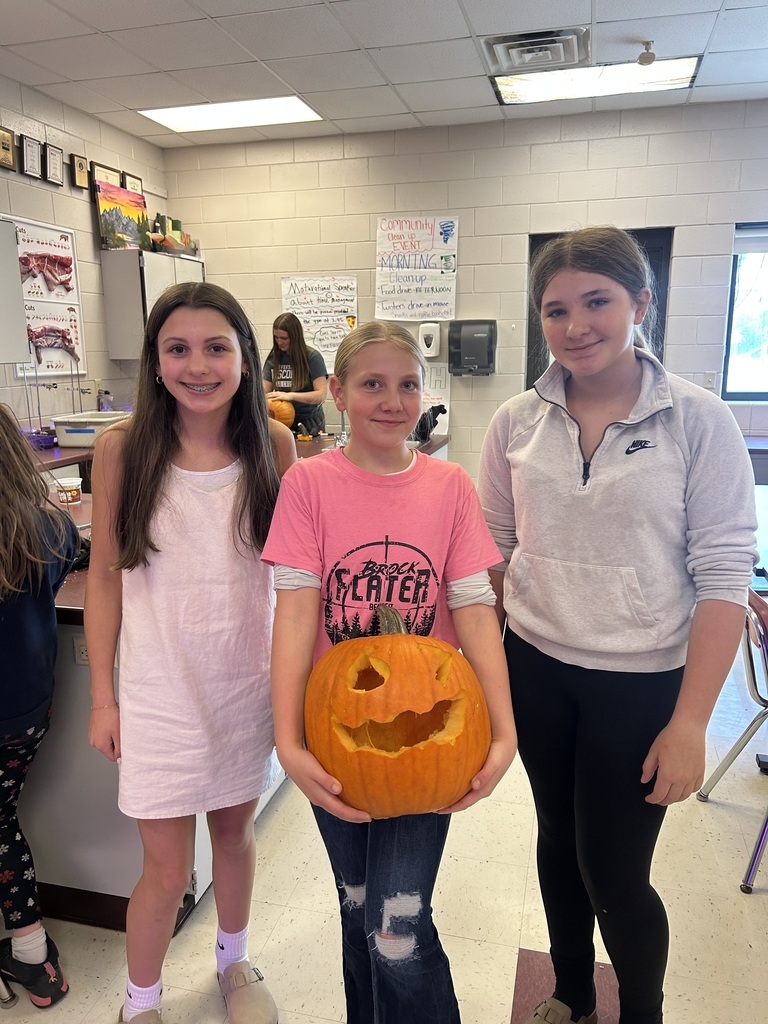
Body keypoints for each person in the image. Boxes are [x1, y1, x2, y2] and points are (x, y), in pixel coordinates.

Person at [477, 226, 758, 1024]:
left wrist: (692, 723)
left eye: (596, 301)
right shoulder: (515, 422)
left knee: (615, 872)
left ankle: (642, 1012)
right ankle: (571, 993)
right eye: (556, 309)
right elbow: (493, 556)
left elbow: (723, 581)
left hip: (642, 685)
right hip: (536, 669)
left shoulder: (698, 422)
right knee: (556, 843)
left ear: (640, 303)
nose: (576, 325)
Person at [262, 320, 517, 1024]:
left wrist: (503, 733)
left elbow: (473, 608)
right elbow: (293, 617)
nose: (392, 400)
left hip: (423, 741)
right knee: (355, 909)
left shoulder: (450, 486)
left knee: (396, 930)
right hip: (333, 733)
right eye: (372, 384)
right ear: (338, 392)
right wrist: (288, 742)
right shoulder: (308, 484)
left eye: (407, 384)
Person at [85, 282, 296, 1024]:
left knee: (235, 837)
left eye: (216, 347)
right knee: (166, 869)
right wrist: (104, 699)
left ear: (245, 358)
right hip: (159, 694)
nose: (197, 365)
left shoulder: (272, 444)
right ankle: (140, 1001)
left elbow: (289, 577)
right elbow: (106, 582)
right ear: (155, 360)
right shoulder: (122, 450)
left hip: (244, 682)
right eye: (178, 348)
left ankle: (234, 963)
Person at [0, 403, 78, 1008]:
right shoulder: (49, 527)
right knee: (1, 823)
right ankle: (32, 959)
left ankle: (30, 955)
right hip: (27, 713)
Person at [262, 312, 328, 435]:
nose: (279, 342)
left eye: (284, 338)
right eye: (276, 337)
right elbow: (264, 389)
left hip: (308, 421)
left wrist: (290, 396)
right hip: (281, 420)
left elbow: (321, 395)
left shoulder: (312, 357)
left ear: (295, 336)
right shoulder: (274, 358)